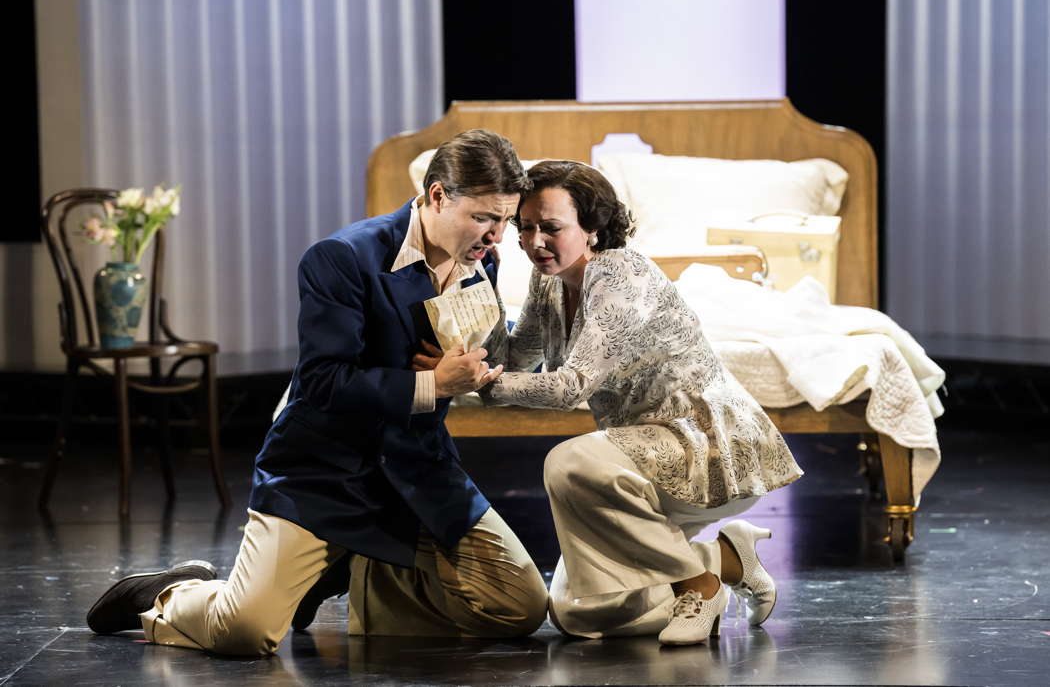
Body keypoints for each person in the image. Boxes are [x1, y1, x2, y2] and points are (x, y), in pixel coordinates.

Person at [85, 129, 549, 655]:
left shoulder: (481, 259)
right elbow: (324, 382)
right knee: (245, 633)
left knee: (520, 606)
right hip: (325, 470)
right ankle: (175, 590)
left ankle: (341, 572)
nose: (497, 235)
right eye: (485, 218)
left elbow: (468, 343)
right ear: (438, 195)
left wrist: (471, 368)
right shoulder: (341, 258)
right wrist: (435, 383)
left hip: (417, 468)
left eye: (506, 219)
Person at [479, 160, 803, 646]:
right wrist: (484, 285)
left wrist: (482, 385)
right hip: (635, 461)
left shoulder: (620, 274)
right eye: (524, 228)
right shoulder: (548, 281)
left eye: (551, 228)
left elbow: (570, 387)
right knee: (577, 612)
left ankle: (698, 585)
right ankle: (726, 559)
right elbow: (517, 358)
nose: (534, 242)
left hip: (705, 444)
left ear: (592, 228)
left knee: (569, 463)